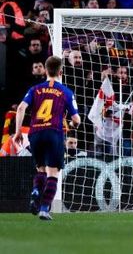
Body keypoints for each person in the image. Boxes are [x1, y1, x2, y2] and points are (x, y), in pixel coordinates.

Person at [12, 56, 81, 220]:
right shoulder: (66, 91)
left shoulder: (34, 89)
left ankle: (36, 191)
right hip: (54, 132)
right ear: (61, 72)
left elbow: (21, 108)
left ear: (45, 71)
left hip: (35, 133)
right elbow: (77, 120)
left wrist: (17, 132)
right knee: (53, 173)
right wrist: (72, 125)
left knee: (41, 169)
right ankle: (44, 209)